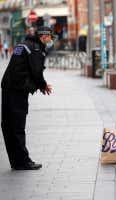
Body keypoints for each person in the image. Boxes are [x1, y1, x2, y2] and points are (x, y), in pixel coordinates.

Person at [1, 26, 54, 170]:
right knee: (17, 125)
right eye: (50, 37)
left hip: (7, 87)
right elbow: (36, 71)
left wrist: (40, 85)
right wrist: (43, 85)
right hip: (18, 90)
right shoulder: (36, 49)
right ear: (44, 37)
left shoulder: (22, 45)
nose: (51, 40)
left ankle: (16, 161)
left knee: (8, 125)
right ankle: (23, 161)